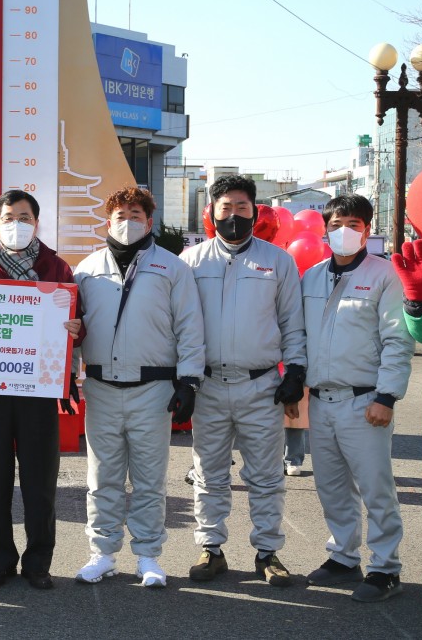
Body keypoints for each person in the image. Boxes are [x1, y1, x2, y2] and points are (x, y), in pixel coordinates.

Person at [73, 186, 205, 588]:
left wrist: (189, 381)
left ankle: (148, 555)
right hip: (101, 388)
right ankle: (103, 553)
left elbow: (189, 326)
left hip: (154, 389)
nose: (127, 222)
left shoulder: (172, 268)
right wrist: (64, 375)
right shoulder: (85, 270)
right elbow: (69, 332)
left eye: (135, 214)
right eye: (120, 215)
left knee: (149, 478)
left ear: (149, 222)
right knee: (103, 477)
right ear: (106, 221)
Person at [179, 174, 306, 588]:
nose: (233, 215)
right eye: (225, 208)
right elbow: (177, 325)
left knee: (266, 475)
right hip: (209, 386)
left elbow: (292, 322)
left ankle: (268, 552)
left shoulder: (278, 261)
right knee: (208, 473)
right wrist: (183, 380)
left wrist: (296, 372)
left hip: (261, 386)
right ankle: (211, 549)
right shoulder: (191, 263)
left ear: (255, 212)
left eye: (242, 208)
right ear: (212, 213)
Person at [0, 190, 80, 590]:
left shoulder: (56, 267)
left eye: (24, 217)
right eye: (9, 217)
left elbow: (79, 321)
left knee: (40, 482)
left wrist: (76, 329)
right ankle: (0, 559)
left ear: (36, 223)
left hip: (39, 391)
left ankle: (38, 561)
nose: (16, 224)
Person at [301, 194, 414, 602]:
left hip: (364, 400)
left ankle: (385, 568)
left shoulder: (384, 276)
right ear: (324, 229)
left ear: (367, 229)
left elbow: (397, 340)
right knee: (331, 487)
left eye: (352, 223)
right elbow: (299, 336)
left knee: (375, 487)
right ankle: (343, 557)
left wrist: (386, 395)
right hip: (321, 399)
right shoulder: (311, 277)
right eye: (335, 224)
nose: (343, 231)